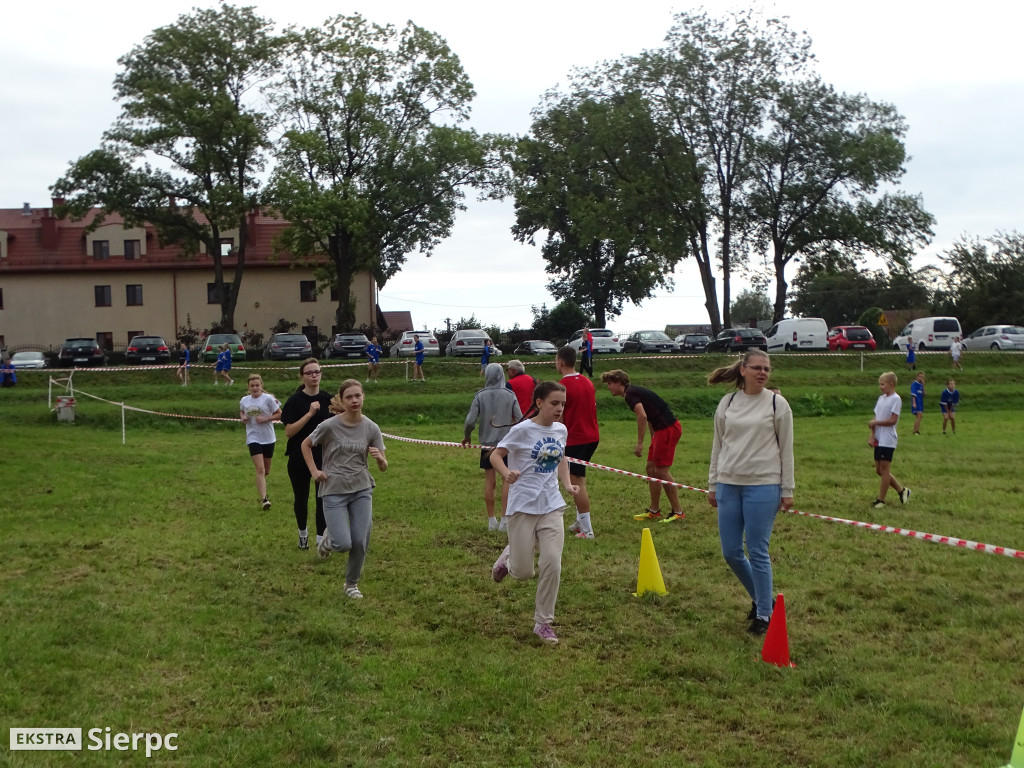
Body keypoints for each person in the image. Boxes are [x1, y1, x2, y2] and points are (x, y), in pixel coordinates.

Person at [706, 350, 794, 635]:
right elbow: (718, 445)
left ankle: (765, 615)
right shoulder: (728, 402)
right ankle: (760, 598)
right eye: (756, 368)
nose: (762, 373)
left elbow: (786, 450)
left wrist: (787, 489)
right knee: (731, 551)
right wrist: (713, 483)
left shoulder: (777, 404)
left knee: (757, 550)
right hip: (729, 485)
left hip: (764, 486)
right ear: (743, 370)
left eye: (766, 369)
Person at [490, 381, 579, 645]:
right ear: (539, 402)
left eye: (562, 404)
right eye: (554, 403)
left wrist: (566, 483)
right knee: (524, 572)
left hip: (551, 504)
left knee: (552, 562)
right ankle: (508, 560)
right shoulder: (522, 430)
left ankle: (543, 623)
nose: (559, 409)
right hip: (522, 506)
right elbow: (496, 455)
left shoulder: (561, 430)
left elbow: (561, 456)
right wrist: (507, 474)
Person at [302, 379, 388, 600]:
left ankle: (351, 584)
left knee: (360, 541)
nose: (354, 400)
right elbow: (306, 445)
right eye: (349, 397)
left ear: (363, 397)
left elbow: (384, 466)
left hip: (361, 488)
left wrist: (380, 460)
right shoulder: (330, 426)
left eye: (358, 396)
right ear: (342, 400)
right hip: (333, 489)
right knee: (343, 544)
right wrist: (314, 471)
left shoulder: (371, 427)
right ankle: (329, 539)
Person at [600, 369, 685, 523]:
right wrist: (653, 439)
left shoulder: (630, 394)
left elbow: (643, 416)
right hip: (660, 430)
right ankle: (654, 510)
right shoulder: (632, 393)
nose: (608, 387)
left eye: (610, 383)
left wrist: (640, 443)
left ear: (619, 383)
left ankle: (678, 511)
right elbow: (651, 415)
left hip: (668, 429)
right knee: (651, 469)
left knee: (661, 470)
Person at [462, 362, 523, 531]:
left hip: (487, 446)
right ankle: (504, 520)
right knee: (507, 480)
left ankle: (491, 521)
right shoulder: (510, 395)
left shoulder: (480, 395)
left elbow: (469, 421)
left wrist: (467, 435)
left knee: (490, 481)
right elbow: (520, 419)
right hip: (506, 445)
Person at [281, 358, 333, 550]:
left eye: (317, 372)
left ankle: (321, 539)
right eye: (309, 373)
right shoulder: (295, 401)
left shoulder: (329, 400)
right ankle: (303, 535)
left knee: (322, 499)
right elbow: (289, 432)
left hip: (322, 456)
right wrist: (309, 414)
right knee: (301, 498)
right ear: (302, 376)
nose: (314, 376)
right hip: (298, 457)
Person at [555, 346, 600, 538]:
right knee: (579, 479)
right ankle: (580, 521)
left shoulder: (561, 387)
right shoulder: (587, 382)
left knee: (576, 483)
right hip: (592, 436)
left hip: (576, 439)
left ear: (561, 362)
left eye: (556, 360)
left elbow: (559, 415)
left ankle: (587, 529)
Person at [239, 373, 282, 511]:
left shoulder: (268, 399)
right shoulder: (244, 400)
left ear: (261, 386)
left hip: (268, 438)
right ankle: (264, 500)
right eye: (252, 386)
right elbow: (242, 411)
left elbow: (280, 413)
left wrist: (267, 418)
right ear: (248, 387)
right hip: (253, 437)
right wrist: (243, 418)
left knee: (266, 470)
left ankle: (262, 482)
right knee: (260, 469)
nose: (255, 388)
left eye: (257, 385)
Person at [868, 371, 911, 509]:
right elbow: (876, 418)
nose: (880, 387)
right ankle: (902, 491)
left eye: (882, 384)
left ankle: (881, 500)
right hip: (879, 439)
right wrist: (872, 434)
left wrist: (877, 423)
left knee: (885, 471)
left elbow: (893, 420)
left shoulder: (896, 399)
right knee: (879, 471)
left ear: (891, 384)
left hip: (888, 439)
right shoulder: (881, 399)